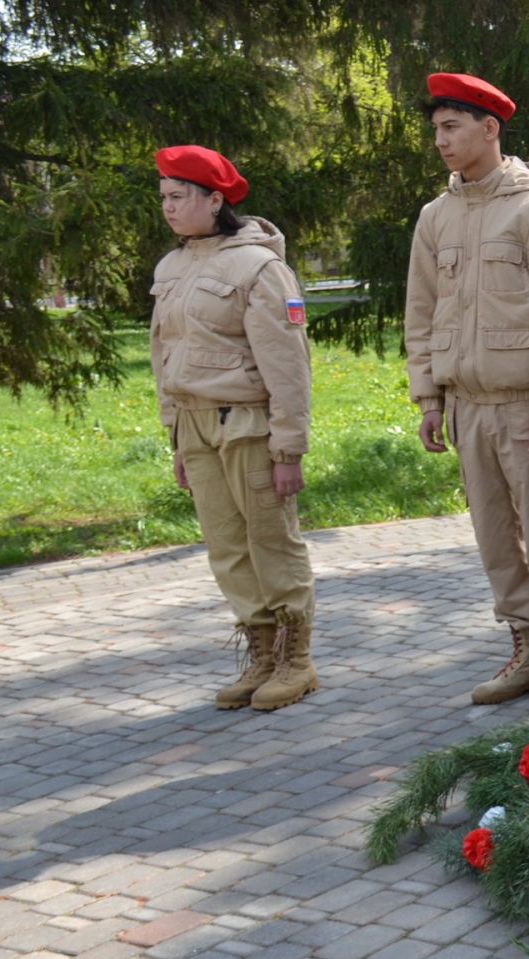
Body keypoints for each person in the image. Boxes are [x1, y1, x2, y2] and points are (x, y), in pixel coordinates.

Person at [405, 72, 529, 709]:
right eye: (435, 130)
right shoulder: (436, 217)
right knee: (494, 538)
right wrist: (429, 399)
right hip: (466, 407)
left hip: (524, 407)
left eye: (452, 127)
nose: (441, 141)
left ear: (491, 129)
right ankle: (525, 646)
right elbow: (421, 313)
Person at [151, 145, 319, 712]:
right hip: (196, 426)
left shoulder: (260, 267)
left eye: (178, 197)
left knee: (271, 541)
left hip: (247, 426)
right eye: (164, 198)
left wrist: (288, 447)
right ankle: (263, 654)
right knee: (226, 549)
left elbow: (288, 366)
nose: (168, 208)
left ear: (214, 199)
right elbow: (163, 358)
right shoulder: (171, 268)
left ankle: (297, 662)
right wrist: (176, 437)